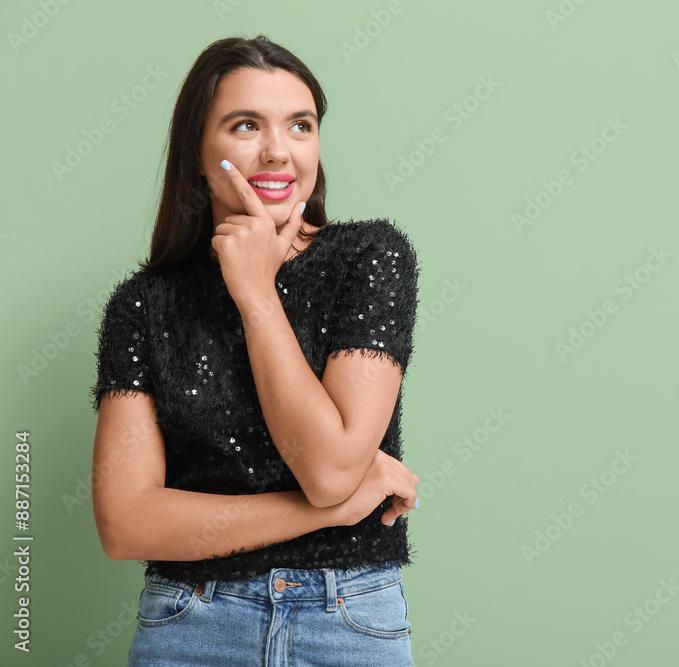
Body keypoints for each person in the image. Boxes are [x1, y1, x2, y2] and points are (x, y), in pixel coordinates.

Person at [90, 34, 421, 666]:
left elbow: (326, 468)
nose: (278, 151)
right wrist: (331, 512)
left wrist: (257, 296)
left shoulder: (370, 258)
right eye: (246, 126)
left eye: (300, 125)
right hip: (191, 623)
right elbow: (125, 523)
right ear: (197, 153)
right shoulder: (145, 302)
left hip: (348, 621)